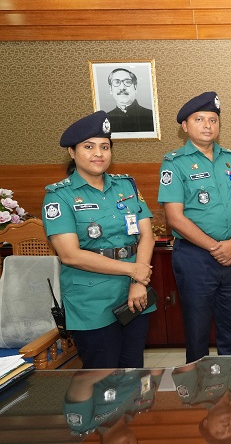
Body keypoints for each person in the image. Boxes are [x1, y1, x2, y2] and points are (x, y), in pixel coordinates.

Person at [43, 110, 155, 369]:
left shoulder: (126, 186)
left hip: (134, 292)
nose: (99, 153)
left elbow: (147, 235)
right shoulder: (59, 196)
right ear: (72, 152)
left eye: (105, 147)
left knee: (134, 370)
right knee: (102, 375)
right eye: (89, 146)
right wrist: (133, 270)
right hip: (91, 299)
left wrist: (138, 280)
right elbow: (70, 255)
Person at [158, 92, 231, 364]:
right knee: (197, 330)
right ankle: (198, 388)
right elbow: (175, 218)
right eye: (199, 119)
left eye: (213, 119)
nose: (207, 125)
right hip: (196, 258)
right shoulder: (174, 163)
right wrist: (216, 248)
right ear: (185, 126)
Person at [64, 368, 164, 440]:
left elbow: (81, 381)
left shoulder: (85, 425)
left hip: (108, 355)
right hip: (143, 352)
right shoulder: (145, 404)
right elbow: (156, 371)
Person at [172, 356, 231, 443]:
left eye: (220, 432)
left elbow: (185, 355)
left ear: (205, 424)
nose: (227, 427)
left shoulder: (193, 396)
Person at [105, 68, 155, 133]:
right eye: (117, 82)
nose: (122, 88)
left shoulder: (152, 116)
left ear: (135, 87)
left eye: (127, 82)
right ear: (110, 89)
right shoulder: (105, 120)